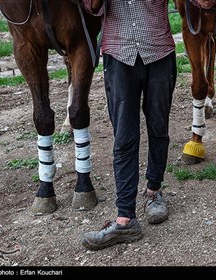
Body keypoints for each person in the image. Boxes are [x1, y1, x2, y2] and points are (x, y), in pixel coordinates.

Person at [80, 0, 177, 251]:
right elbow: (92, 8)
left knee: (159, 128)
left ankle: (154, 191)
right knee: (124, 137)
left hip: (159, 52)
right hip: (119, 55)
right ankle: (125, 218)